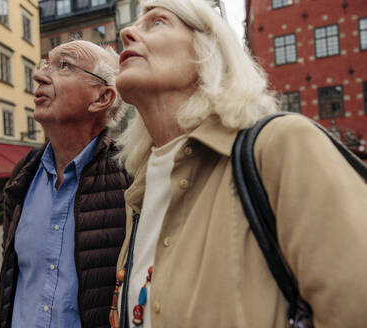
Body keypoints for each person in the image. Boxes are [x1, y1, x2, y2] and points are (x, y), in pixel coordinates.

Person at [110, 0, 367, 327]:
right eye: (134, 24)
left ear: (207, 51)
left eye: (157, 22)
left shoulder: (282, 145)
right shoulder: (138, 194)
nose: (126, 32)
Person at [0, 40, 131, 328]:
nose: (38, 76)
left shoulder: (131, 179)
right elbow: (9, 283)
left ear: (102, 98)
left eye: (63, 65)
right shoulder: (22, 175)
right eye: (43, 65)